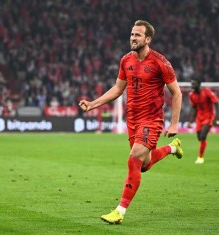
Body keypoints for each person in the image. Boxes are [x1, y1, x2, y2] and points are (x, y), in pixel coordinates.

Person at [79, 20, 183, 224]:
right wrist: (93, 104)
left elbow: (177, 93)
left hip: (151, 119)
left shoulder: (160, 62)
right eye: (132, 34)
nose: (133, 38)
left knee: (134, 158)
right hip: (132, 120)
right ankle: (172, 149)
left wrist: (174, 124)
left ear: (148, 39)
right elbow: (118, 89)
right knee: (143, 165)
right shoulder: (125, 60)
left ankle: (119, 211)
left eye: (137, 35)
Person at [187, 78, 219, 164]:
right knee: (199, 138)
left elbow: (217, 104)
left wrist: (216, 118)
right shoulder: (191, 95)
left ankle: (200, 157)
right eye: (191, 84)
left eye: (194, 84)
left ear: (199, 84)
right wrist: (191, 121)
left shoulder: (207, 92)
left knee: (202, 136)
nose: (192, 86)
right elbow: (194, 109)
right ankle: (202, 147)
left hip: (209, 117)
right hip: (199, 118)